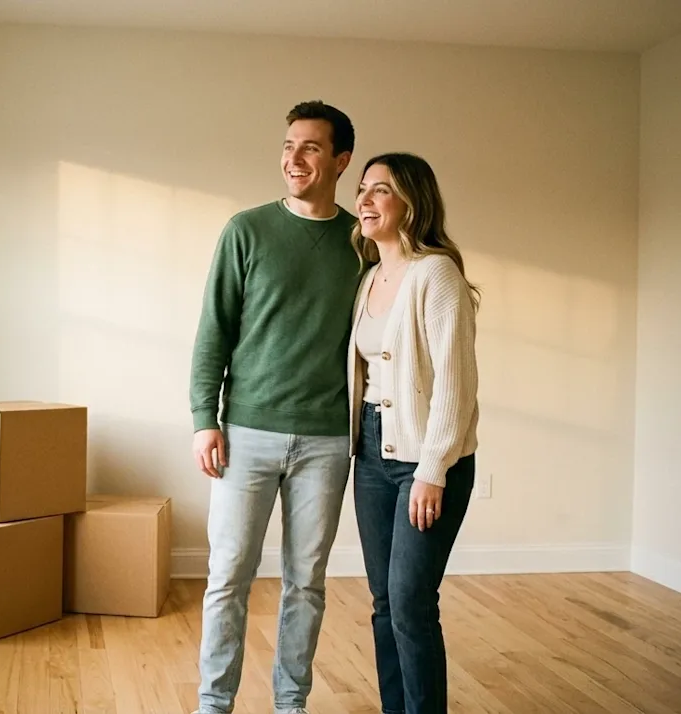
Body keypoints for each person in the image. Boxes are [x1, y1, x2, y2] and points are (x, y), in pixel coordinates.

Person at [188, 100, 363, 714]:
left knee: (306, 584)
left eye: (311, 147)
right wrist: (203, 419)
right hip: (246, 434)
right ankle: (215, 705)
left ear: (341, 161)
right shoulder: (247, 229)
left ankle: (292, 704)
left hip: (326, 442)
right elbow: (214, 332)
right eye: (289, 145)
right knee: (227, 578)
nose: (294, 158)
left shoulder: (360, 244)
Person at [347, 152, 480, 714]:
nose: (366, 200)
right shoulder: (370, 276)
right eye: (363, 189)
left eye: (382, 189)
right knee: (383, 602)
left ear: (411, 202)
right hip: (372, 453)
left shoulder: (436, 272)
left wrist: (432, 470)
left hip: (425, 458)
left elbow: (454, 385)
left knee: (410, 601)